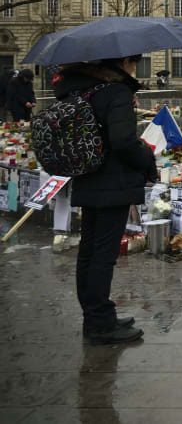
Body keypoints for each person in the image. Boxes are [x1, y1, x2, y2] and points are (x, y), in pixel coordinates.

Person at [52, 55, 159, 344]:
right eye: (134, 63)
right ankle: (101, 324)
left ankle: (95, 316)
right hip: (114, 182)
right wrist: (147, 157)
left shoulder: (81, 90)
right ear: (122, 62)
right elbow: (123, 142)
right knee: (103, 254)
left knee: (89, 250)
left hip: (88, 176)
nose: (135, 68)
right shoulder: (116, 92)